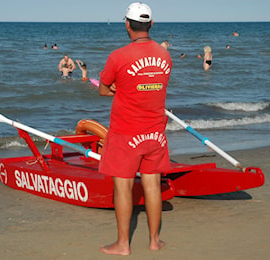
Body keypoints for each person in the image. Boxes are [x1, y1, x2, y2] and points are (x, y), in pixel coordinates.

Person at [98, 2, 172, 256]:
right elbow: (154, 85)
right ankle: (154, 240)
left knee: (123, 187)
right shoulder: (165, 55)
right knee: (152, 184)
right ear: (151, 25)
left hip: (126, 133)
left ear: (127, 24)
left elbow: (102, 88)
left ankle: (122, 244)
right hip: (155, 133)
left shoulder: (118, 56)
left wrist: (118, 89)